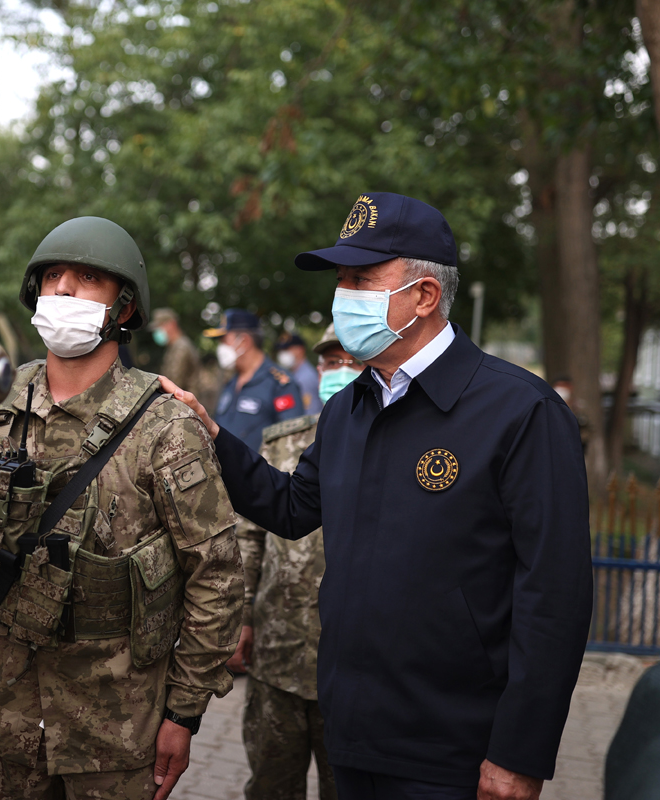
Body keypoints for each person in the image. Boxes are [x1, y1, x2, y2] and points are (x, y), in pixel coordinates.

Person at [162, 192, 593, 800]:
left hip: (456, 752)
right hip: (354, 733)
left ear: (424, 296)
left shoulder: (521, 412)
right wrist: (213, 436)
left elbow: (556, 596)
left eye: (362, 278)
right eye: (341, 279)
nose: (344, 296)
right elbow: (290, 508)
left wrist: (519, 753)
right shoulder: (349, 408)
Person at [0, 216, 244, 800]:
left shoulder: (164, 426)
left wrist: (184, 711)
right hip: (2, 713)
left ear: (122, 308)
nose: (65, 290)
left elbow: (216, 575)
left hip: (117, 731)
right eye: (53, 277)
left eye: (88, 278)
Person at [228, 324, 362, 800]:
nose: (339, 371)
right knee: (270, 786)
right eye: (331, 362)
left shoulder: (394, 448)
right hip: (278, 652)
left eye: (353, 361)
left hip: (354, 671)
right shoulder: (285, 442)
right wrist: (241, 619)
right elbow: (250, 537)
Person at [208, 309, 305, 448]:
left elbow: (292, 443)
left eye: (224, 340)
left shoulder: (280, 384)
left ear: (244, 341)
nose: (220, 347)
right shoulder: (231, 382)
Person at [150, 307, 201, 395]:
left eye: (160, 326)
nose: (157, 331)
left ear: (172, 324)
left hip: (183, 406)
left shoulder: (181, 347)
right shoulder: (174, 347)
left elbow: (174, 383)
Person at [276, 333, 323, 414]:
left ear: (300, 350)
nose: (283, 353)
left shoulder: (305, 378)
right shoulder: (296, 374)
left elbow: (309, 415)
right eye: (281, 350)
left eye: (287, 349)